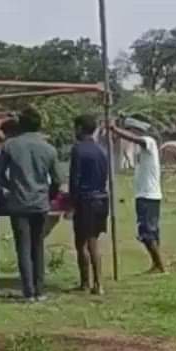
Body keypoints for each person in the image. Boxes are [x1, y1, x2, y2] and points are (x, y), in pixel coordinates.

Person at [0, 107, 63, 302]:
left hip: (18, 202)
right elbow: (57, 180)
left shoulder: (10, 146)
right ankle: (39, 290)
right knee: (37, 246)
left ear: (20, 125)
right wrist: (48, 196)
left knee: (23, 246)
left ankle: (28, 290)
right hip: (40, 203)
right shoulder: (48, 148)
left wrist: (11, 187)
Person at [109, 118, 166, 274]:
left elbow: (135, 139)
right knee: (151, 232)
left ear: (136, 130)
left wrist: (115, 129)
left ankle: (160, 266)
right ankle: (156, 264)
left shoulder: (149, 141)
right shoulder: (140, 149)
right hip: (144, 195)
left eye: (130, 130)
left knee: (146, 233)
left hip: (148, 195)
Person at [69, 114, 110, 294]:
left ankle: (87, 282)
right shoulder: (102, 150)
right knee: (93, 240)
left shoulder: (78, 150)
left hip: (85, 200)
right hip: (101, 198)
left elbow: (75, 179)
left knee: (82, 243)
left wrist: (71, 203)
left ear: (79, 128)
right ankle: (97, 283)